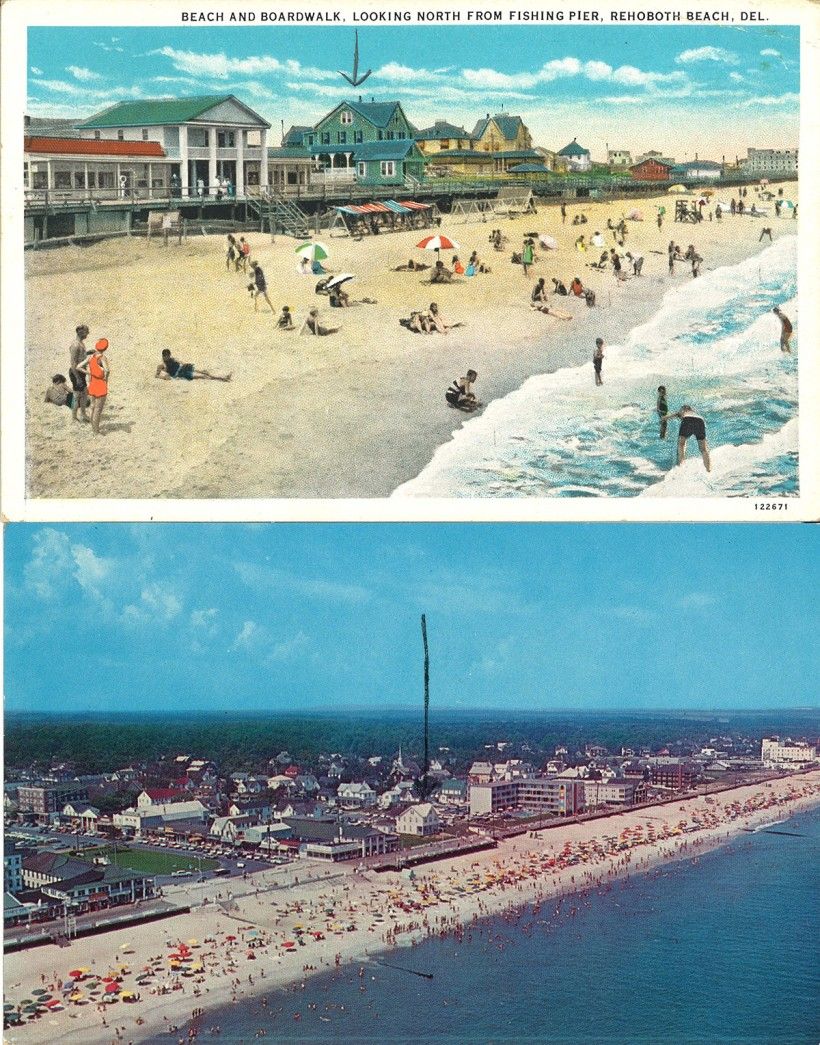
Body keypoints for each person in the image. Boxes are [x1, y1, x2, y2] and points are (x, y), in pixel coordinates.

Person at [76, 337, 110, 435]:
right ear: (105, 348)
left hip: (93, 383)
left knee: (92, 407)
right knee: (98, 410)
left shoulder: (91, 357)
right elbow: (107, 370)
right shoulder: (102, 357)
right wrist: (105, 379)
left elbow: (78, 367)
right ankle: (96, 431)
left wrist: (89, 373)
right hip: (100, 384)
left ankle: (93, 428)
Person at [663, 404, 711, 471]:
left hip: (687, 420)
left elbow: (670, 416)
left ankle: (681, 466)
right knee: (703, 449)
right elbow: (704, 426)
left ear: (684, 409)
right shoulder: (696, 414)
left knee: (681, 444)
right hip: (700, 422)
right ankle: (708, 469)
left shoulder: (684, 411)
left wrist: (663, 418)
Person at [155, 349, 231, 381]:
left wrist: (185, 364)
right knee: (203, 376)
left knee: (204, 372)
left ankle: (224, 377)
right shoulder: (161, 365)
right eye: (166, 356)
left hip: (183, 368)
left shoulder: (172, 358)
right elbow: (156, 375)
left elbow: (180, 362)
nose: (167, 358)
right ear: (163, 356)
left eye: (168, 356)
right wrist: (164, 377)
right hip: (180, 374)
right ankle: (223, 378)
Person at [68, 323, 91, 422]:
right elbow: (73, 363)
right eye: (86, 332)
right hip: (76, 373)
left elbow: (80, 356)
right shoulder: (75, 345)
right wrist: (77, 378)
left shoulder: (81, 343)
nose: (88, 334)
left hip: (81, 372)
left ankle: (83, 414)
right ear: (80, 332)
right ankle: (74, 418)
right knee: (77, 396)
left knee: (84, 394)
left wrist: (88, 353)